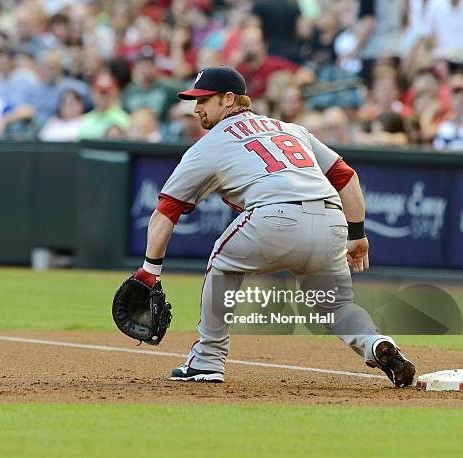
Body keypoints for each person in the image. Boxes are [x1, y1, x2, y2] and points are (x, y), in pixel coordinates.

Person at [130, 66, 415, 387]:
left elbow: (167, 210)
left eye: (204, 100)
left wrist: (148, 272)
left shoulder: (208, 146)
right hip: (331, 218)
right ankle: (374, 344)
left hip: (275, 216)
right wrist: (358, 234)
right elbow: (346, 177)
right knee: (336, 305)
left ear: (228, 99)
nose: (196, 108)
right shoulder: (290, 129)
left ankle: (207, 360)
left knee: (221, 264)